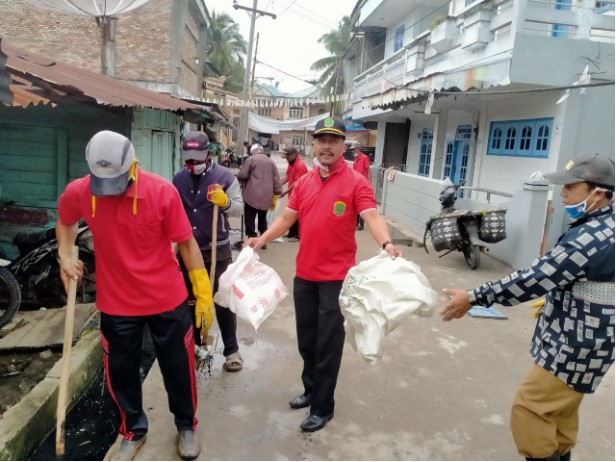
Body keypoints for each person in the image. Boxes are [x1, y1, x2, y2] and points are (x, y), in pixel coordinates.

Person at [441, 153, 615, 461]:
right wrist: (569, 294)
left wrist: (473, 297)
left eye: (570, 187)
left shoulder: (588, 238)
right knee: (561, 411)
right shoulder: (606, 224)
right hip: (595, 338)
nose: (562, 194)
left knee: (530, 409)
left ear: (597, 193)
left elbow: (535, 278)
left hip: (575, 342)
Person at [56, 131, 213, 461]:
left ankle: (186, 425)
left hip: (166, 299)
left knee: (177, 368)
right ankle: (133, 429)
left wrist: (202, 292)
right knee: (121, 372)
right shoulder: (81, 190)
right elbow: (66, 220)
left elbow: (186, 243)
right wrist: (66, 252)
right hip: (116, 301)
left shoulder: (161, 193)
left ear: (132, 166)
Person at [245, 117, 402, 432]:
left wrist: (386, 242)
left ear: (344, 145)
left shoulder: (356, 182)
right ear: (314, 145)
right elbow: (288, 218)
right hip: (305, 276)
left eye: (333, 140)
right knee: (307, 340)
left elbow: (371, 215)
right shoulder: (304, 182)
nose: (327, 146)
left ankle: (323, 406)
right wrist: (261, 239)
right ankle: (310, 388)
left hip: (336, 280)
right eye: (322, 140)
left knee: (329, 344)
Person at [173, 131, 245, 372]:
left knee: (222, 302)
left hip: (217, 250)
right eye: (188, 159)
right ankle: (196, 344)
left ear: (208, 153)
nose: (192, 164)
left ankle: (232, 351)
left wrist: (225, 202)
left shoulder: (224, 177)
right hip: (187, 251)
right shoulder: (178, 179)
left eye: (197, 158)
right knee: (192, 302)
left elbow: (240, 210)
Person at [237, 143, 282, 247]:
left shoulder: (251, 159)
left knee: (249, 219)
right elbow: (276, 180)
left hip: (251, 196)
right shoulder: (271, 162)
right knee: (263, 219)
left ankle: (252, 239)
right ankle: (263, 241)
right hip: (266, 197)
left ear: (253, 151)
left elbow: (243, 174)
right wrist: (277, 191)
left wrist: (240, 171)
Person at [280, 145, 308, 242]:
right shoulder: (291, 163)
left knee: (297, 215)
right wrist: (277, 185)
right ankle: (291, 233)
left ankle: (298, 235)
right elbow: (287, 176)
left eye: (288, 156)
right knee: (292, 213)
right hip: (293, 194)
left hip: (301, 194)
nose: (287, 159)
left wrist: (284, 192)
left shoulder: (300, 165)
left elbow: (297, 183)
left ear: (294, 155)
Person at [351, 142, 371, 231]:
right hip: (356, 184)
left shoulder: (364, 158)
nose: (352, 151)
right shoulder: (356, 159)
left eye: (353, 149)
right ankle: (355, 224)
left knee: (361, 205)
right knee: (355, 205)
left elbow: (368, 170)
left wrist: (368, 182)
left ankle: (361, 225)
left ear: (358, 149)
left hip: (363, 185)